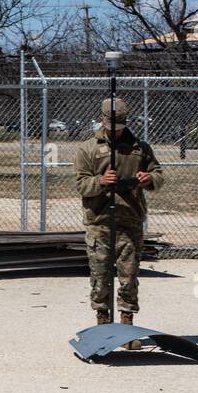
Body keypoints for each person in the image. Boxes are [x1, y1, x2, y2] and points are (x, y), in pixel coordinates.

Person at [74, 97, 164, 332]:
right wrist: (101, 181)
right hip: (100, 221)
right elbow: (82, 184)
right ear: (102, 121)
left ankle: (126, 323)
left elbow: (158, 174)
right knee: (100, 275)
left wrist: (149, 179)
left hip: (130, 220)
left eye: (120, 128)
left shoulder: (139, 148)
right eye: (112, 128)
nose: (116, 133)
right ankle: (103, 323)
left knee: (129, 275)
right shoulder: (88, 148)